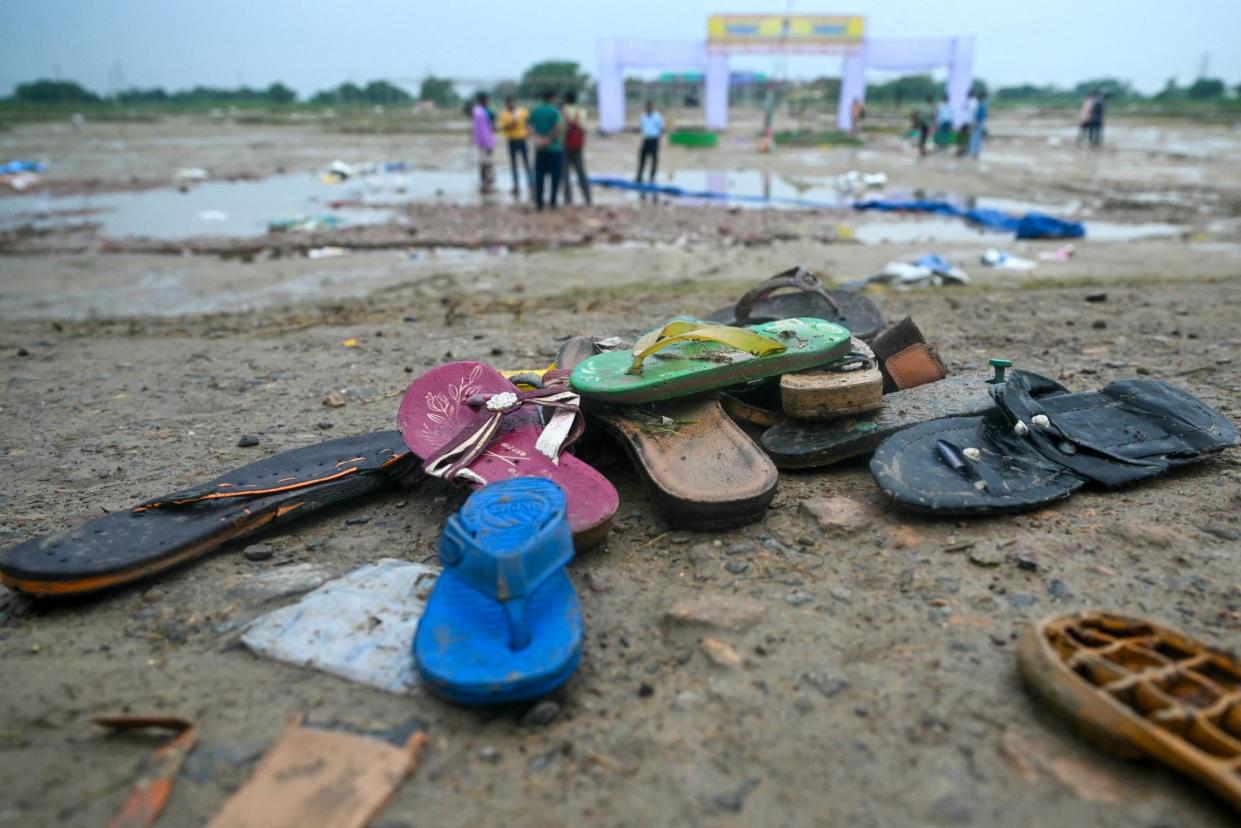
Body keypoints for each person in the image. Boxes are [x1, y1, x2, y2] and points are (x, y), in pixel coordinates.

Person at [528, 89, 564, 210]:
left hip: (540, 149)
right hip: (554, 149)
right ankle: (553, 202)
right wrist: (549, 140)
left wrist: (538, 138)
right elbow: (559, 127)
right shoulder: (554, 111)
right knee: (555, 176)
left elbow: (529, 126)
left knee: (539, 175)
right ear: (552, 97)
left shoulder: (535, 110)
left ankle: (539, 202)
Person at [560, 91, 592, 206]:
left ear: (566, 99)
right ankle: (588, 198)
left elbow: (560, 128)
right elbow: (584, 128)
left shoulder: (562, 111)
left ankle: (568, 199)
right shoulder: (581, 111)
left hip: (565, 145)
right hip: (578, 146)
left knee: (565, 174)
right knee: (581, 173)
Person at [497, 96, 531, 196]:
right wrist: (512, 123)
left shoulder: (523, 112)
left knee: (526, 162)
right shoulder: (504, 114)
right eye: (508, 104)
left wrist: (530, 133)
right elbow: (503, 127)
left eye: (512, 103)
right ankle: (516, 184)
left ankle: (531, 183)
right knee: (514, 163)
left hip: (522, 139)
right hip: (511, 140)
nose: (511, 105)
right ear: (506, 105)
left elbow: (528, 123)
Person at [636, 100, 664, 195]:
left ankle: (652, 176)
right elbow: (643, 129)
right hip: (646, 139)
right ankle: (639, 175)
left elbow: (660, 129)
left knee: (654, 159)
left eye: (650, 107)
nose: (648, 109)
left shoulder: (657, 117)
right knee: (642, 158)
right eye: (647, 107)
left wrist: (659, 140)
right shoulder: (643, 117)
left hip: (654, 139)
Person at [470, 92, 495, 193]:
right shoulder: (482, 112)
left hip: (482, 141)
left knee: (484, 163)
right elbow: (488, 128)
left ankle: (485, 183)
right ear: (483, 101)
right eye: (487, 101)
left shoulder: (478, 111)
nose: (488, 102)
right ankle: (486, 184)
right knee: (486, 163)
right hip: (486, 142)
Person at [957, 89, 979, 157]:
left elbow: (974, 112)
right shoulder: (968, 101)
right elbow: (964, 108)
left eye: (968, 94)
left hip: (971, 121)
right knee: (963, 135)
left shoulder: (974, 101)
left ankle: (966, 150)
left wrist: (974, 122)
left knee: (968, 136)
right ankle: (963, 150)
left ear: (971, 94)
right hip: (965, 121)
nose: (966, 95)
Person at [968, 90, 988, 158]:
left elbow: (977, 115)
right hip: (979, 122)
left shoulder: (981, 104)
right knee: (977, 137)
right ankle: (975, 152)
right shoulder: (982, 104)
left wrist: (975, 122)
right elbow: (982, 115)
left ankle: (974, 152)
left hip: (978, 122)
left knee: (975, 137)